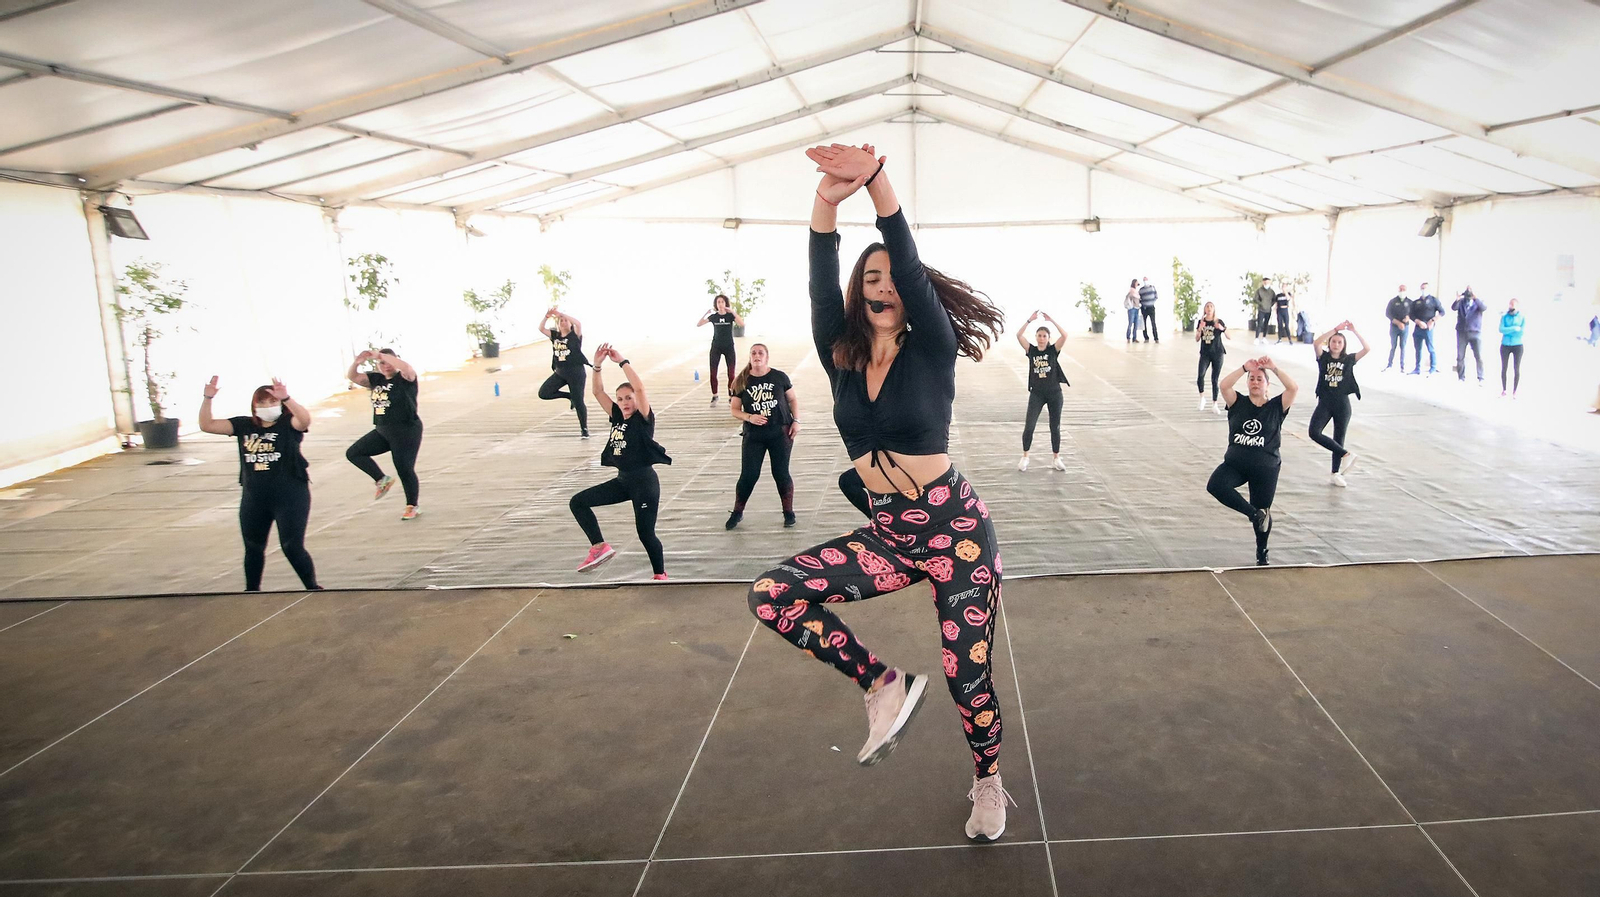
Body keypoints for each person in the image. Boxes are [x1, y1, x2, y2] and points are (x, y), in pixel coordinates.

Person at [750, 140, 1010, 841]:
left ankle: (988, 781)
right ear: (860, 294)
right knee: (772, 593)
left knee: (966, 677)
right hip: (891, 537)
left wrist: (878, 185)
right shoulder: (840, 357)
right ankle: (879, 681)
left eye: (894, 276)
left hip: (956, 537)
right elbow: (817, 278)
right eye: (872, 277)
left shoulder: (934, 349)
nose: (884, 284)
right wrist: (825, 206)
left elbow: (904, 253)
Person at [199, 376, 321, 592]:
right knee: (253, 547)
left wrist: (287, 398)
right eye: (261, 403)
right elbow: (207, 425)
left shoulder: (287, 425)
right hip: (254, 498)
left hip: (290, 496)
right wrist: (208, 398)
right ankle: (251, 591)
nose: (267, 407)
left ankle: (312, 587)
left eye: (272, 402)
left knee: (291, 546)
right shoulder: (243, 425)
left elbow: (304, 420)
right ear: (254, 406)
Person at [570, 343, 671, 580]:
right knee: (578, 502)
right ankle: (599, 547)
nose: (625, 402)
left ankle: (660, 575)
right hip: (623, 481)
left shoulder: (643, 419)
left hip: (645, 483)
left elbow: (640, 387)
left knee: (645, 534)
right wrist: (596, 366)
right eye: (620, 399)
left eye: (628, 398)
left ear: (636, 400)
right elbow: (596, 392)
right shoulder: (616, 416)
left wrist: (622, 362)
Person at [1207, 356, 1297, 566]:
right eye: (1252, 379)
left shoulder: (1276, 406)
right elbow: (1224, 385)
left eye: (1259, 379)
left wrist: (1273, 368)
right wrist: (1243, 368)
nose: (1255, 382)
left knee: (1263, 510)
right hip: (1236, 465)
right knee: (1216, 485)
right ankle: (1252, 514)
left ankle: (1261, 551)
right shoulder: (1237, 402)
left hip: (1265, 468)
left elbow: (1292, 388)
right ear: (1247, 383)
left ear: (1267, 385)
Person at [727, 343, 800, 529]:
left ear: (767, 357)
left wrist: (796, 421)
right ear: (749, 357)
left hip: (780, 431)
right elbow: (735, 410)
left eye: (760, 353)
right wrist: (749, 417)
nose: (757, 356)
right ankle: (737, 512)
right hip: (754, 434)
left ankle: (788, 512)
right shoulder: (741, 381)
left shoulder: (779, 377)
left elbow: (792, 399)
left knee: (781, 473)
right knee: (749, 475)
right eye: (753, 353)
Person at [345, 348, 422, 520]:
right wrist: (357, 362)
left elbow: (407, 368)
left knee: (404, 468)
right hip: (383, 430)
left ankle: (412, 505)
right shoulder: (376, 379)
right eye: (381, 363)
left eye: (388, 362)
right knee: (354, 453)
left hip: (406, 430)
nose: (385, 366)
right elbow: (353, 377)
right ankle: (381, 479)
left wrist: (380, 355)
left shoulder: (405, 378)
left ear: (395, 361)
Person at [1308, 322, 1369, 487]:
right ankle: (1346, 454)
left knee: (1339, 437)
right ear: (1329, 344)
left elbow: (1366, 348)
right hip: (1325, 402)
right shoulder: (1323, 358)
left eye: (1339, 342)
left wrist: (1354, 331)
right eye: (1333, 341)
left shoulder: (1349, 359)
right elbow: (1316, 342)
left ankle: (1336, 473)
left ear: (1344, 346)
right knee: (1314, 432)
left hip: (1342, 403)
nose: (1336, 344)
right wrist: (1335, 329)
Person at [1016, 310, 1069, 471]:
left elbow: (1065, 335)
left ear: (1048, 338)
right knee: (1029, 426)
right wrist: (1029, 321)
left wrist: (1051, 320)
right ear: (1036, 338)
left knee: (1055, 426)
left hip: (1054, 393)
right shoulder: (1031, 351)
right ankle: (1025, 456)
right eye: (1039, 336)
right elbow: (1019, 335)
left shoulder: (1053, 350)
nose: (1041, 339)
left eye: (1044, 336)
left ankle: (1056, 458)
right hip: (1037, 394)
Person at [536, 306, 591, 438]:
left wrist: (561, 313)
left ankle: (584, 429)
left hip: (576, 372)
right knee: (544, 393)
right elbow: (541, 328)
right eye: (561, 321)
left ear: (569, 324)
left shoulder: (575, 336)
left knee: (579, 402)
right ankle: (568, 396)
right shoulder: (555, 336)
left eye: (565, 320)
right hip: (561, 372)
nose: (563, 322)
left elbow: (578, 323)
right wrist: (547, 316)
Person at [698, 294, 744, 407]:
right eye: (718, 302)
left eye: (722, 302)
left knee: (731, 374)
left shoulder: (730, 316)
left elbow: (742, 324)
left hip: (729, 347)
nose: (720, 304)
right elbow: (699, 324)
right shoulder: (714, 317)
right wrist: (706, 313)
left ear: (725, 303)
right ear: (716, 304)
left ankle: (731, 396)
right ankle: (715, 395)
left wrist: (732, 311)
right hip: (716, 347)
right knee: (713, 373)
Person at [1195, 301, 1229, 413]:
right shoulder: (1201, 322)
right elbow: (1197, 338)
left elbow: (1229, 336)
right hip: (1205, 353)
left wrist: (1222, 328)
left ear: (1214, 309)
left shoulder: (1219, 321)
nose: (1209, 309)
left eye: (1211, 307)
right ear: (1204, 309)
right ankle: (1202, 397)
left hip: (1217, 352)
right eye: (1207, 307)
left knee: (1214, 379)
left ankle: (1215, 403)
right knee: (1201, 375)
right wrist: (1200, 328)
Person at [1452, 287, 1487, 384]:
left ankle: (1481, 377)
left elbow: (1484, 308)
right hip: (1462, 331)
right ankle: (1461, 377)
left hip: (1475, 331)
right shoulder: (1462, 302)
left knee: (1478, 355)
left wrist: (1475, 298)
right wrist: (1458, 299)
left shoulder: (1478, 302)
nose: (1468, 295)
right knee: (1460, 356)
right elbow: (1454, 308)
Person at [1408, 283, 1443, 375]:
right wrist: (1418, 321)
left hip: (1428, 328)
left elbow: (1442, 312)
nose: (1424, 290)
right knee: (1418, 349)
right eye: (1422, 288)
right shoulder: (1416, 302)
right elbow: (1411, 315)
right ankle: (1417, 368)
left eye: (1425, 288)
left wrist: (1433, 320)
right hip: (1418, 328)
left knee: (1431, 348)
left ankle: (1433, 367)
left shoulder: (1434, 300)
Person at [1498, 298, 1525, 398]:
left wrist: (1509, 330)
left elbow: (1521, 331)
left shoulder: (1521, 317)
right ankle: (1504, 389)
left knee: (1516, 368)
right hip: (1505, 344)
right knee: (1504, 367)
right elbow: (1501, 329)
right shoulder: (1505, 317)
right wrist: (1514, 328)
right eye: (1510, 304)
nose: (1511, 306)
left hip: (1517, 344)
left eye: (1513, 305)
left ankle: (1515, 391)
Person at [1384, 285, 1411, 371]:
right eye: (1401, 289)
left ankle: (1402, 366)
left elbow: (1413, 313)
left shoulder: (1410, 302)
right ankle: (1389, 364)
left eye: (1404, 290)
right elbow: (1388, 313)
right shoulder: (1393, 301)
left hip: (1405, 328)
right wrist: (1397, 322)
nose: (1402, 291)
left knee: (1403, 346)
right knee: (1393, 346)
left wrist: (1408, 317)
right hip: (1394, 327)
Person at [1253, 277, 1276, 345]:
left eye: (1268, 282)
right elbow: (1255, 299)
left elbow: (1274, 299)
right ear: (1263, 282)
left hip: (1268, 310)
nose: (1267, 284)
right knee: (1259, 324)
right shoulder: (1259, 290)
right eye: (1265, 282)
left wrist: (1270, 305)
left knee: (1266, 324)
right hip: (1261, 310)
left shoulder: (1271, 291)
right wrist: (1261, 304)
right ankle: (1256, 338)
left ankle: (1264, 338)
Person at [1138, 276, 1159, 342]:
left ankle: (1156, 338)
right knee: (1144, 323)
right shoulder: (1141, 290)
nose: (1145, 281)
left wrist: (1151, 302)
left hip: (1151, 307)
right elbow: (1139, 299)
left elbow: (1156, 296)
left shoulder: (1152, 288)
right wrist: (1143, 303)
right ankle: (1146, 337)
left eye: (1146, 280)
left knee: (1153, 323)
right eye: (1144, 280)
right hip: (1144, 308)